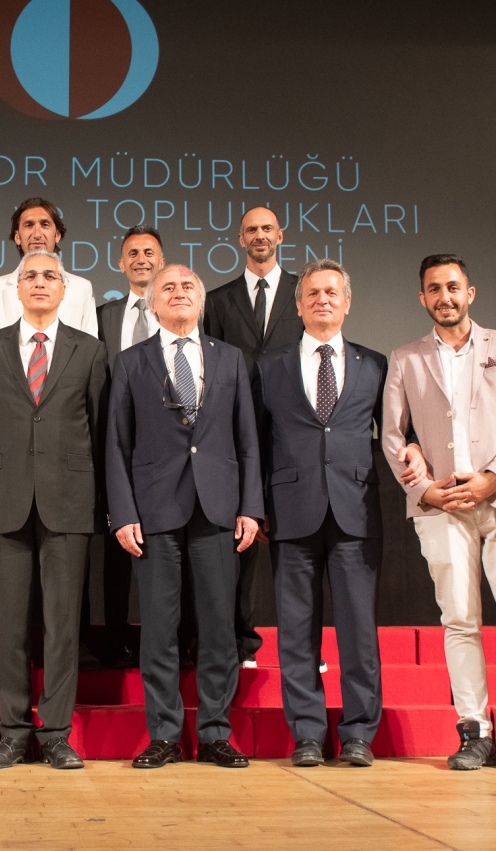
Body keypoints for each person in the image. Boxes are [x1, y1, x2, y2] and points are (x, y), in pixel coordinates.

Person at [382, 254, 496, 774]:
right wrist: (424, 491)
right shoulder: (405, 358)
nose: (445, 297)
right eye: (434, 289)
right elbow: (392, 436)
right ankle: (474, 730)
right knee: (458, 620)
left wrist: (493, 478)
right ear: (422, 298)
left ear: (469, 293)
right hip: (443, 506)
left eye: (453, 287)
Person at [107, 264, 262, 770]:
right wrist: (122, 512)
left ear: (202, 300)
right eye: (167, 287)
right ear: (153, 303)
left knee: (218, 628)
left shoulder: (230, 358)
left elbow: (247, 440)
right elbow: (117, 444)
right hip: (153, 511)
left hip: (218, 509)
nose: (178, 292)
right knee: (159, 629)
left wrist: (251, 506)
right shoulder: (130, 362)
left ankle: (216, 733)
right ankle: (165, 735)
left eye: (188, 286)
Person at [0, 250, 108, 769]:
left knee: (63, 626)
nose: (41, 282)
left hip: (68, 501)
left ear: (65, 289)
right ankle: (12, 733)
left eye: (51, 275)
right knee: (7, 625)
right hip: (3, 500)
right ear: (18, 288)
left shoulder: (90, 350)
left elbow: (100, 428)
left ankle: (56, 735)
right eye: (31, 276)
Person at [253, 259, 390, 768]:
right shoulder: (270, 366)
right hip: (290, 511)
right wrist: (254, 505)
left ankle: (358, 733)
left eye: (332, 292)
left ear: (347, 302)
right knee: (296, 632)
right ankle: (308, 733)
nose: (322, 300)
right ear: (298, 305)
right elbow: (254, 443)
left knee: (359, 631)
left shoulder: (375, 365)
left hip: (356, 510)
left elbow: (396, 435)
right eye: (312, 293)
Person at [203, 207, 303, 668]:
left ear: (280, 235)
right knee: (238, 543)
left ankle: (300, 648)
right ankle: (241, 641)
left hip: (292, 431)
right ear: (240, 239)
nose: (260, 236)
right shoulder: (218, 300)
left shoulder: (305, 292)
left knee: (296, 543)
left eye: (267, 228)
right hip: (233, 432)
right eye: (251, 230)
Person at [93, 225, 167, 669]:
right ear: (120, 264)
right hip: (116, 445)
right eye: (133, 253)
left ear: (162, 261)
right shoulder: (102, 316)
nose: (141, 259)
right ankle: (116, 638)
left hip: (171, 450)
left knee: (170, 548)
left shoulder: (180, 311)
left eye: (149, 252)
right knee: (115, 548)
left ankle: (172, 640)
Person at [0, 197, 98, 337]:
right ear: (17, 237)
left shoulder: (82, 288)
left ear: (57, 235)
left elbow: (90, 345)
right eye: (29, 225)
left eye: (45, 225)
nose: (37, 234)